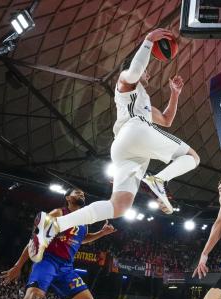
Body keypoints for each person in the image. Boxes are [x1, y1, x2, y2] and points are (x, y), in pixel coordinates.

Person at [29, 28, 199, 263]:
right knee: (191, 157)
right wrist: (149, 40)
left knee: (119, 207)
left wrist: (175, 94)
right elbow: (136, 70)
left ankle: (54, 224)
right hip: (134, 131)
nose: (147, 73)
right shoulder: (125, 84)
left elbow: (167, 120)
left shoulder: (145, 102)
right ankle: (159, 180)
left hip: (126, 149)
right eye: (145, 70)